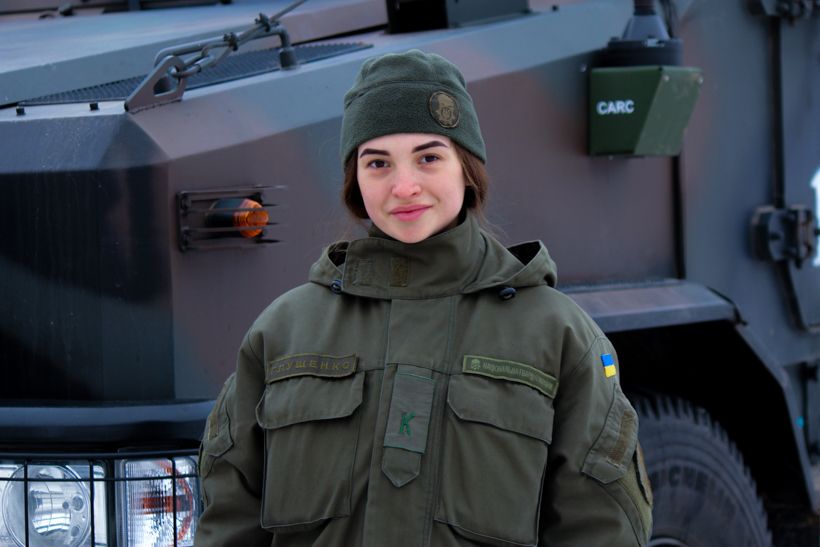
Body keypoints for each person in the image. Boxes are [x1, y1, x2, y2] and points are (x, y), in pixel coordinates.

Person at [195, 49, 653, 547]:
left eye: (429, 158)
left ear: (467, 169)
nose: (404, 186)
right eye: (378, 163)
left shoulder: (556, 336)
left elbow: (600, 527)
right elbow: (229, 519)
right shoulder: (284, 333)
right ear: (355, 182)